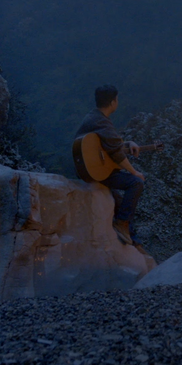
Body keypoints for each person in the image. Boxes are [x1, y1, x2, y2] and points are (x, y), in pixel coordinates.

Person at [75, 85, 145, 246]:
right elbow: (116, 153)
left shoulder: (94, 117)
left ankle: (133, 240)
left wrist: (128, 143)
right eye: (117, 99)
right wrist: (134, 171)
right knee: (136, 183)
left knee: (120, 202)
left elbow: (110, 143)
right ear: (113, 102)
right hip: (93, 171)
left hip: (89, 170)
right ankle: (122, 226)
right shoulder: (101, 121)